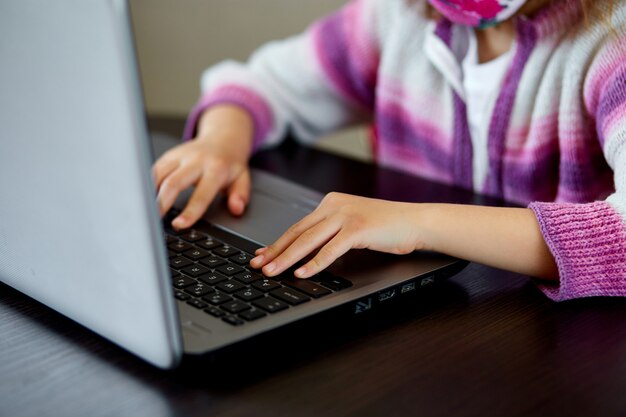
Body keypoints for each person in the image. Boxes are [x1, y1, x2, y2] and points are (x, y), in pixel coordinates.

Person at [152, 0, 626, 301]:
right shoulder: (397, 16)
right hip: (433, 321)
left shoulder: (612, 45)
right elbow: (263, 83)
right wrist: (221, 141)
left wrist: (416, 224)